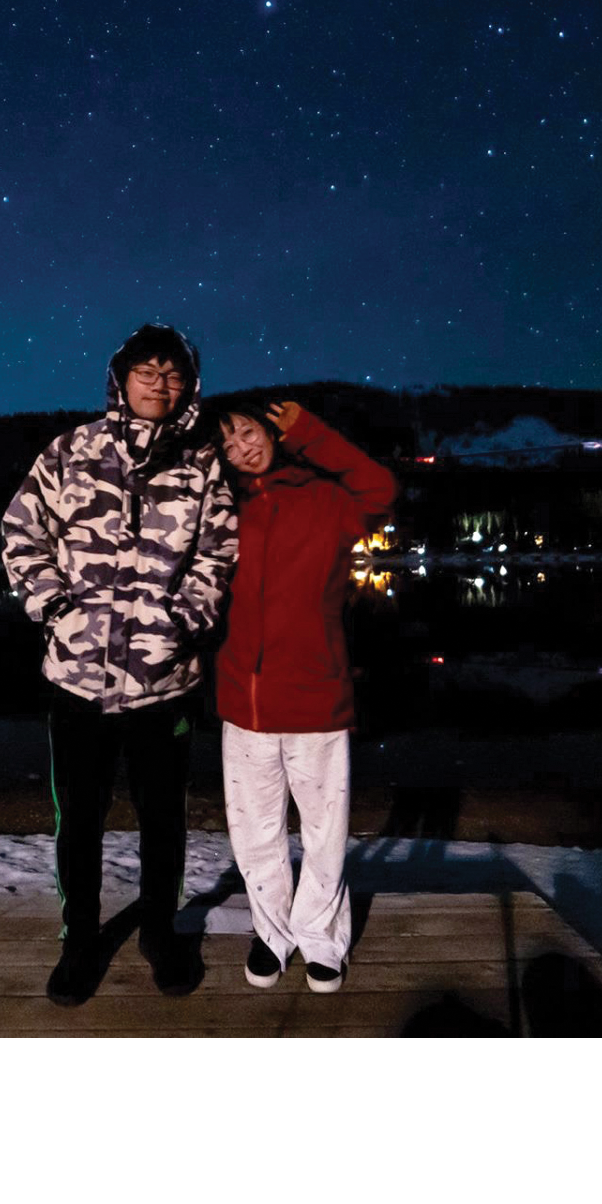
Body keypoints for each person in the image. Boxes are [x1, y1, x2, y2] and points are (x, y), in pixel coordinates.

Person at [1, 323, 239, 1005]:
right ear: (121, 378)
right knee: (79, 817)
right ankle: (80, 941)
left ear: (188, 385)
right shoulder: (73, 450)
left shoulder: (202, 465)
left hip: (164, 682)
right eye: (147, 372)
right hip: (76, 679)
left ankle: (159, 935)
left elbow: (219, 555)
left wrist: (182, 622)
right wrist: (54, 607)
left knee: (162, 817)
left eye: (172, 374)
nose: (159, 384)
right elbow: (22, 530)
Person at [213, 396, 398, 993]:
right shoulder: (224, 511)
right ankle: (271, 933)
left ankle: (321, 939)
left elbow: (380, 489)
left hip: (316, 696)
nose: (243, 447)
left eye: (248, 431)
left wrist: (312, 433)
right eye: (228, 443)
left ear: (271, 429)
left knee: (322, 830)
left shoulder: (327, 500)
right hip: (244, 702)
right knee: (255, 831)